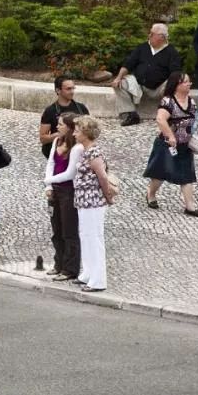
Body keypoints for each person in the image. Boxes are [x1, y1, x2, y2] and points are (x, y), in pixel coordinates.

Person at [144, 71, 198, 216]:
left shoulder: (191, 101)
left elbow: (196, 119)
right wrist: (170, 136)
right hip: (167, 145)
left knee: (187, 175)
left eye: (189, 81)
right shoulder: (168, 101)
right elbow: (160, 119)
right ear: (177, 85)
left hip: (185, 145)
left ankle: (190, 206)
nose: (189, 84)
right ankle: (150, 194)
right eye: (186, 82)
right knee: (160, 174)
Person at [73, 115, 117, 292]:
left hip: (93, 201)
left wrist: (108, 197)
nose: (75, 133)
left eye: (78, 130)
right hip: (84, 201)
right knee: (85, 235)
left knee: (94, 237)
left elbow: (103, 177)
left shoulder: (93, 153)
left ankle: (98, 279)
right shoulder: (85, 150)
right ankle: (88, 273)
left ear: (86, 132)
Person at [111, 23, 183, 126]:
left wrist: (171, 86)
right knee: (119, 84)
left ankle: (169, 114)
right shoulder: (142, 47)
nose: (149, 35)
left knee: (173, 83)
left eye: (152, 33)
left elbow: (176, 72)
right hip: (138, 85)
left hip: (159, 88)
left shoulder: (171, 52)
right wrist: (118, 78)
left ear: (161, 37)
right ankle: (131, 114)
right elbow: (128, 64)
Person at [43, 113, 83, 281]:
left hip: (68, 192)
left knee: (69, 231)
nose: (57, 127)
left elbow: (70, 173)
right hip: (56, 191)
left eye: (60, 124)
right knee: (56, 229)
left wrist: (49, 180)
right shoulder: (56, 141)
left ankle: (70, 268)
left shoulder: (76, 148)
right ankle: (58, 263)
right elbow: (51, 163)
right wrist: (49, 186)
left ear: (69, 127)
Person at [39, 75, 90, 157]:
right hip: (58, 154)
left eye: (73, 88)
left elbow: (90, 132)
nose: (72, 91)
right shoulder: (50, 111)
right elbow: (43, 138)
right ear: (58, 90)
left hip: (78, 152)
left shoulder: (81, 108)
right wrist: (60, 134)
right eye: (68, 89)